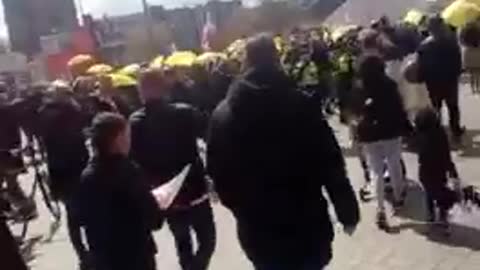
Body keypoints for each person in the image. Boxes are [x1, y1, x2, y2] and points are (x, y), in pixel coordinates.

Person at [207, 33, 360, 270]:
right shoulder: (301, 104)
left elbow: (219, 175)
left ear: (246, 62)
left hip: (258, 229)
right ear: (277, 60)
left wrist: (242, 210)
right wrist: (347, 210)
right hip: (306, 223)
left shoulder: (222, 115)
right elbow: (330, 163)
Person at [130, 68, 216, 270]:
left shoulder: (135, 122)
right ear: (164, 88)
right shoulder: (184, 112)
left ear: (141, 91)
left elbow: (134, 161)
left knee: (182, 241)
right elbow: (209, 133)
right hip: (194, 189)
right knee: (207, 239)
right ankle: (197, 267)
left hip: (165, 194)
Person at [79, 112, 160, 270]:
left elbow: (81, 219)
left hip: (105, 259)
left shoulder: (87, 175)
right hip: (135, 256)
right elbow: (153, 218)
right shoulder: (129, 171)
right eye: (127, 135)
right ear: (118, 138)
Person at [351, 54, 410, 231]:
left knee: (376, 171)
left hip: (369, 133)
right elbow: (400, 108)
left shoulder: (359, 88)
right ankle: (399, 197)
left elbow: (354, 111)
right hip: (390, 130)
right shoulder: (389, 85)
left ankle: (380, 209)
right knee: (394, 163)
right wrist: (406, 127)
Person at [37, 84, 91, 270]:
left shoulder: (45, 112)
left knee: (73, 216)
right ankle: (88, 253)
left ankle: (83, 254)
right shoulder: (68, 110)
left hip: (61, 171)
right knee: (86, 214)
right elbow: (81, 125)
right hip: (74, 169)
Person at [418, 15, 465, 138]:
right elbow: (458, 62)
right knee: (453, 107)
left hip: (432, 81)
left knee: (435, 107)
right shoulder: (451, 42)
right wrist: (457, 73)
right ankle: (455, 130)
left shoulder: (424, 45)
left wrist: (422, 78)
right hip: (450, 80)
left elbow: (420, 65)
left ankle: (436, 131)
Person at [414, 108, 460, 232]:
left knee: (429, 193)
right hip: (440, 170)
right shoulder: (441, 134)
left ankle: (431, 214)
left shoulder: (420, 136)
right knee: (438, 191)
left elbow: (420, 154)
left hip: (425, 172)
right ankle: (442, 214)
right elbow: (446, 155)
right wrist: (452, 170)